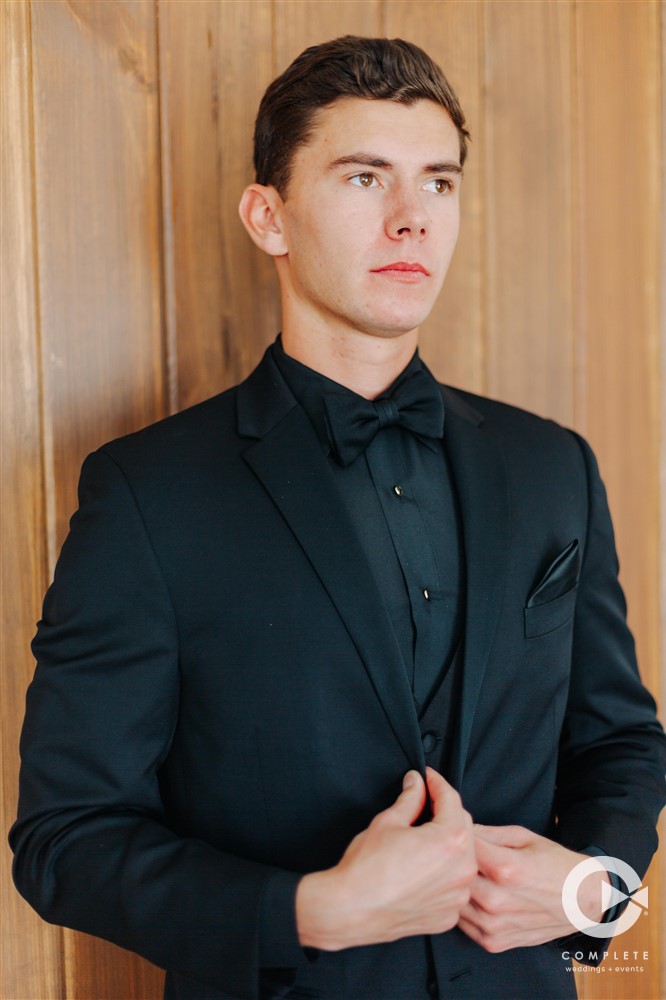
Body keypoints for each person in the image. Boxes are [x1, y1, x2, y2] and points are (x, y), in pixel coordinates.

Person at [10, 35, 666, 1000]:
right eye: (366, 178)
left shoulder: (551, 466)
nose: (413, 221)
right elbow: (63, 840)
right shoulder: (147, 493)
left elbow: (620, 743)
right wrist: (311, 911)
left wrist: (598, 895)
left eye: (438, 185)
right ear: (267, 217)